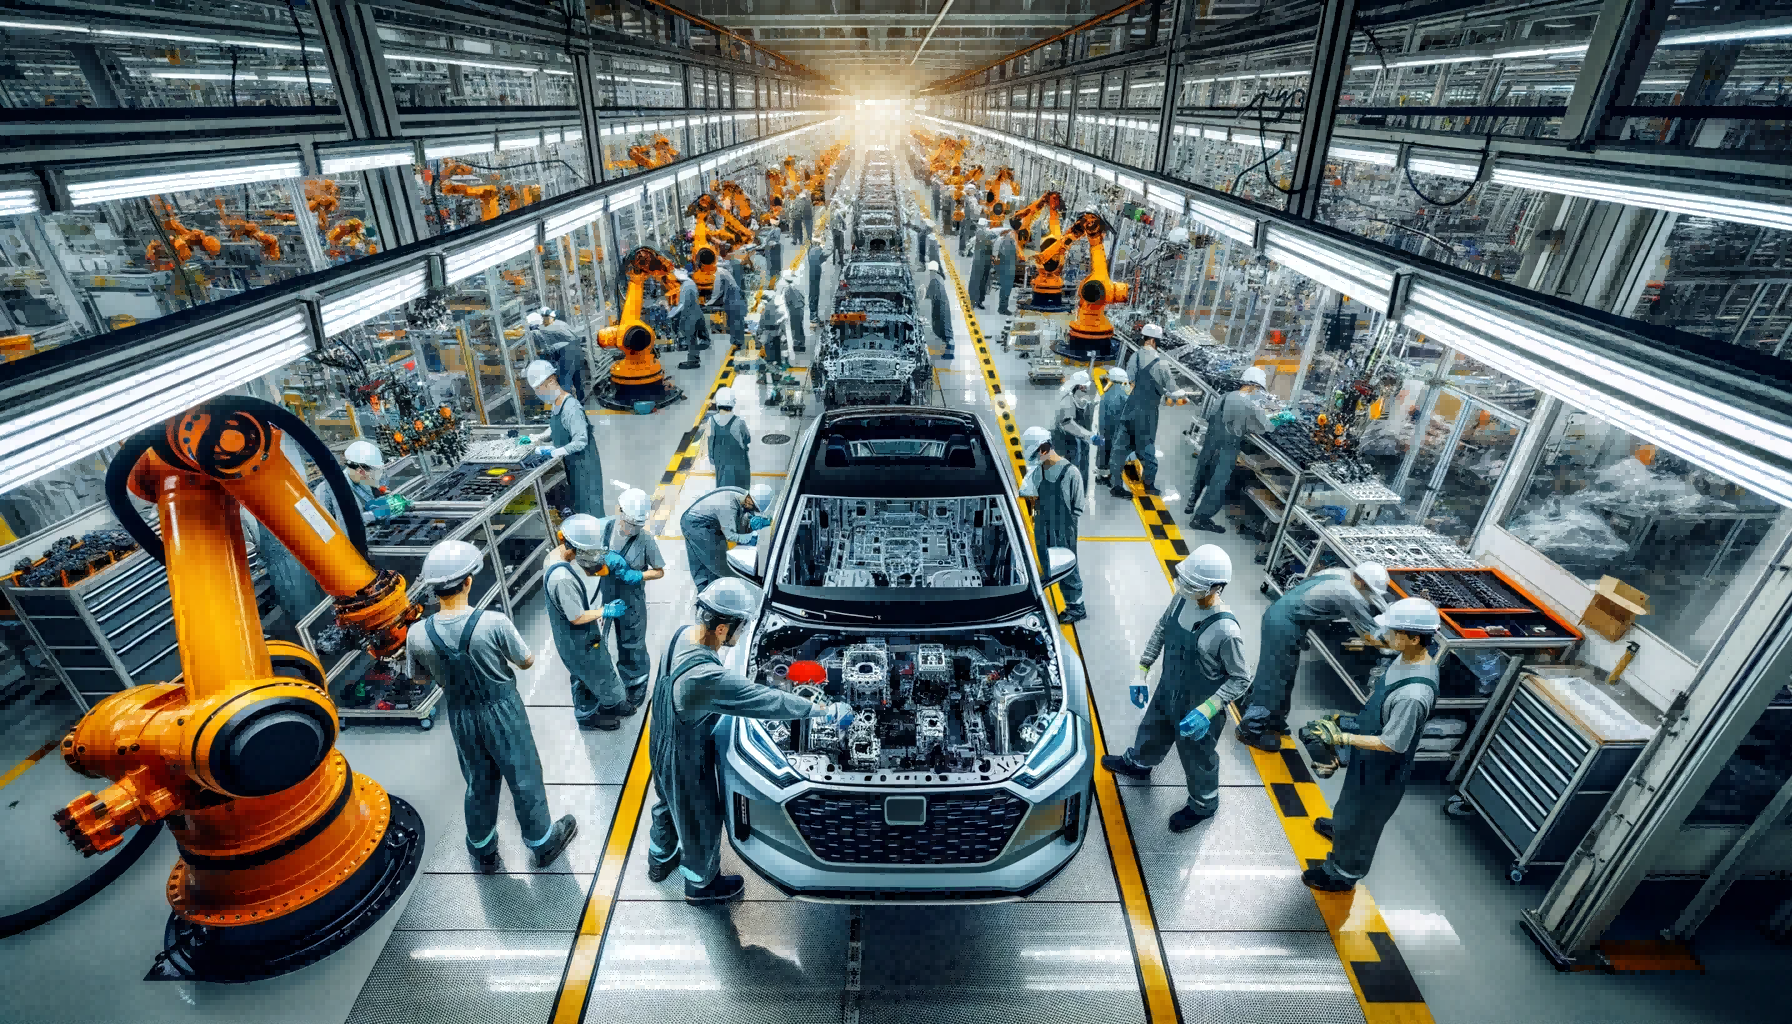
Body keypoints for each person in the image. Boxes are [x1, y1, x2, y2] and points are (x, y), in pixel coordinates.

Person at [647, 578, 854, 904]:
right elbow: (766, 701)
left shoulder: (681, 635)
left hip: (660, 736)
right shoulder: (705, 677)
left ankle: (659, 858)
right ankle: (701, 885)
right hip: (683, 752)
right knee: (700, 818)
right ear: (721, 629)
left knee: (667, 802)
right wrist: (821, 710)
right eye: (740, 626)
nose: (743, 633)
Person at [410, 539, 578, 872]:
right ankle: (543, 843)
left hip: (460, 714)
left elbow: (418, 680)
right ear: (468, 581)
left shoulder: (417, 633)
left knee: (478, 779)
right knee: (523, 774)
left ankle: (483, 849)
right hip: (502, 710)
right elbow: (527, 661)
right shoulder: (493, 623)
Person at [1101, 545, 1252, 832]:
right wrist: (1142, 670)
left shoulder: (1226, 631)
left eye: (1194, 585)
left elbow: (1241, 678)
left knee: (1197, 756)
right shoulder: (1183, 598)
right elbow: (1162, 628)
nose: (1185, 588)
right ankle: (1139, 764)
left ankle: (1204, 804)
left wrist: (1208, 709)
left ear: (1216, 587)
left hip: (1200, 705)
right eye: (1185, 581)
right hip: (1168, 687)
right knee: (1153, 729)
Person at [1302, 597, 1441, 893]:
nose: (1385, 636)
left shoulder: (1414, 694)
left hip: (1383, 769)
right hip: (1368, 749)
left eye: (1393, 632)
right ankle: (1341, 829)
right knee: (1348, 806)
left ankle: (1342, 874)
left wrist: (1341, 738)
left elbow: (1393, 743)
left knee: (1362, 821)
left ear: (1415, 638)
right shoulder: (1407, 658)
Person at [1235, 563, 1390, 751]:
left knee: (1284, 675)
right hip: (1284, 625)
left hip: (1285, 616)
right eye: (1370, 590)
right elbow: (1370, 635)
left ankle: (1273, 718)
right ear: (1362, 582)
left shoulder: (1339, 573)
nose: (1370, 594)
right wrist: (1395, 642)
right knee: (1275, 679)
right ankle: (1250, 730)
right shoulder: (1350, 594)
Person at [545, 514, 632, 731]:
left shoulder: (556, 556)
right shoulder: (562, 579)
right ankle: (588, 716)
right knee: (593, 672)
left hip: (575, 637)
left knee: (591, 671)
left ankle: (612, 702)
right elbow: (575, 617)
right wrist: (604, 611)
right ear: (572, 547)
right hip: (577, 639)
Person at [1184, 366, 1277, 533]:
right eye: (1258, 390)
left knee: (1202, 473)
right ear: (1254, 386)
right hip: (1227, 449)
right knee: (1218, 485)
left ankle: (1191, 504)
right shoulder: (1250, 405)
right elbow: (1266, 428)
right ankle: (1200, 519)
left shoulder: (1223, 397)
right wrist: (1279, 418)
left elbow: (1211, 416)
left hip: (1210, 444)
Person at [598, 487, 664, 705]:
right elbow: (586, 552)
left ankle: (636, 681)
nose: (632, 529)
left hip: (631, 598)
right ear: (620, 511)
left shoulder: (645, 540)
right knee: (601, 639)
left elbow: (659, 570)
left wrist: (638, 575)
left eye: (638, 525)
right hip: (607, 593)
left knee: (632, 642)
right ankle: (611, 683)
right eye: (629, 523)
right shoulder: (603, 527)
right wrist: (604, 557)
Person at [1019, 427, 1088, 624]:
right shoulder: (1038, 471)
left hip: (1063, 528)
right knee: (1048, 563)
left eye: (1035, 455)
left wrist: (1065, 530)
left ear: (1043, 449)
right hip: (1042, 525)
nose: (1034, 459)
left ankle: (1077, 607)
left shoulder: (1071, 473)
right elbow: (1028, 495)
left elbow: (1077, 507)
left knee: (1066, 565)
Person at [525, 359, 604, 518]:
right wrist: (541, 436)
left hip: (584, 468)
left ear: (552, 381)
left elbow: (581, 440)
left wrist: (556, 451)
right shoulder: (556, 404)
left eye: (540, 388)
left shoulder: (571, 407)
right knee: (579, 508)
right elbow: (558, 426)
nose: (539, 393)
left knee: (590, 509)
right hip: (572, 467)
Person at [1112, 324, 1181, 499]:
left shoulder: (1134, 357)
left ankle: (1116, 487)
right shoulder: (1162, 364)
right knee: (1148, 452)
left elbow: (1130, 382)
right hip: (1146, 416)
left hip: (1129, 411)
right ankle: (1148, 485)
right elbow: (1174, 391)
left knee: (1119, 450)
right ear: (1153, 340)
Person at [680, 482, 774, 591]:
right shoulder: (728, 506)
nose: (754, 512)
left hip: (706, 521)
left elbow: (739, 517)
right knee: (717, 562)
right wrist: (749, 537)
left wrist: (754, 522)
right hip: (696, 525)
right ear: (749, 501)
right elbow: (730, 535)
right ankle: (710, 592)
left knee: (703, 561)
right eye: (755, 509)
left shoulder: (741, 495)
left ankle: (706, 589)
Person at [530, 307, 587, 403]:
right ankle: (581, 400)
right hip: (576, 351)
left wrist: (544, 353)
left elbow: (547, 349)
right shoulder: (560, 323)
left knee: (565, 380)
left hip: (567, 354)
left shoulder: (543, 329)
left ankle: (567, 405)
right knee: (577, 379)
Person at [1053, 371, 1096, 484]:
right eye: (1083, 387)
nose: (1085, 389)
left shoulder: (1070, 396)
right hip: (1065, 440)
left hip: (1069, 439)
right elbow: (1068, 424)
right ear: (1077, 386)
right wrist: (1089, 436)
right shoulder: (1066, 401)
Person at [705, 386, 752, 491]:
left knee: (723, 491)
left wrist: (713, 458)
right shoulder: (739, 421)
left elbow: (710, 442)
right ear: (732, 403)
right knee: (741, 492)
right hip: (740, 465)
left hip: (721, 465)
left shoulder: (711, 421)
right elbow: (747, 439)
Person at [1092, 366, 1131, 488]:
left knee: (1102, 452)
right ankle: (1110, 479)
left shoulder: (1107, 392)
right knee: (1113, 455)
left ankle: (1100, 477)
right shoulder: (1121, 393)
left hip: (1103, 429)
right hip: (1114, 430)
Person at [706, 248, 747, 349]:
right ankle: (738, 343)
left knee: (734, 322)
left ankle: (737, 344)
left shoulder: (720, 272)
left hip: (733, 301)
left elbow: (717, 290)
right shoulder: (728, 269)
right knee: (735, 322)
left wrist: (709, 303)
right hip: (736, 299)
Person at [672, 268, 705, 370]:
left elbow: (683, 304)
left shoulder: (687, 286)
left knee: (691, 338)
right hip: (693, 314)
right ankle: (694, 359)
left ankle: (693, 361)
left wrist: (672, 314)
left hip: (691, 315)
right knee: (692, 338)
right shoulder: (689, 284)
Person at [756, 274, 790, 371]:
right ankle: (780, 365)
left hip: (770, 333)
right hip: (777, 332)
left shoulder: (769, 307)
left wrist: (758, 335)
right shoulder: (780, 303)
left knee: (771, 353)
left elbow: (762, 323)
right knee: (778, 351)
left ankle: (774, 368)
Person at [924, 260, 955, 361]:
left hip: (941, 307)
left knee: (945, 329)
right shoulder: (938, 277)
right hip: (942, 305)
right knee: (944, 327)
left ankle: (949, 354)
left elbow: (928, 295)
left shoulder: (934, 280)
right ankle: (947, 350)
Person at [778, 269, 807, 355]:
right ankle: (800, 344)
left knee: (795, 328)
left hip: (795, 310)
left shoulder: (787, 289)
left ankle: (798, 344)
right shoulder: (794, 286)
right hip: (799, 308)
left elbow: (788, 303)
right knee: (799, 328)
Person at [969, 222, 995, 309]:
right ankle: (973, 301)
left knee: (983, 283)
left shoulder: (988, 237)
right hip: (978, 264)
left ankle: (979, 301)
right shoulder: (980, 234)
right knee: (976, 282)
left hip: (986, 263)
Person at [994, 227, 1019, 316]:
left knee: (1006, 288)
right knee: (1006, 288)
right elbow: (1006, 254)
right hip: (1007, 268)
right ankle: (1002, 308)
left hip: (1008, 267)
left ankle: (1003, 307)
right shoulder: (1008, 240)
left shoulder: (1009, 239)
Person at [806, 240, 829, 327]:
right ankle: (814, 318)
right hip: (816, 273)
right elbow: (825, 256)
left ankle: (814, 317)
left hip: (814, 273)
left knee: (814, 292)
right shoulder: (817, 250)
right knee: (815, 293)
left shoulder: (811, 250)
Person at [760, 216, 784, 284]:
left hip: (773, 247)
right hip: (771, 247)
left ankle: (773, 276)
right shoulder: (774, 228)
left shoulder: (777, 229)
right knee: (772, 261)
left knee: (773, 261)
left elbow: (775, 239)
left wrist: (768, 242)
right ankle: (773, 274)